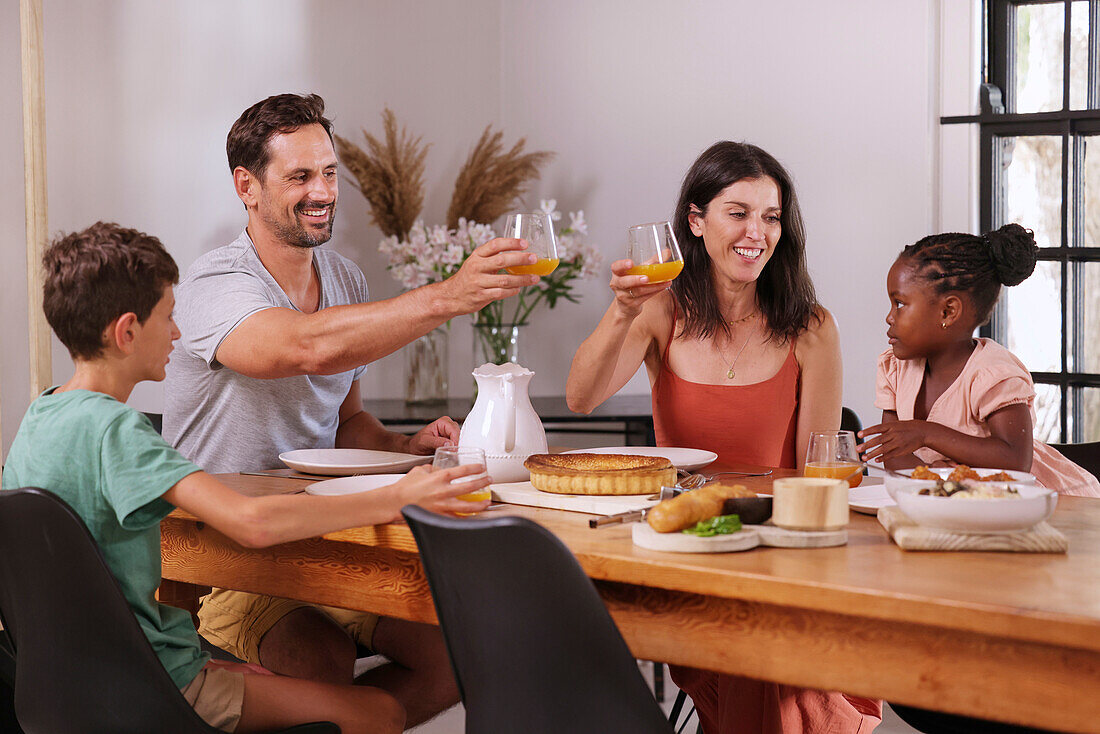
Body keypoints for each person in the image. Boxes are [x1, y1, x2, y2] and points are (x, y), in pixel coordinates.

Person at [1, 222, 492, 733]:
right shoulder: (116, 429)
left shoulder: (41, 415)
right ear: (127, 332)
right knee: (381, 713)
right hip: (151, 686)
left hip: (90, 682)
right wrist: (397, 496)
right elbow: (252, 522)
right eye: (168, 318)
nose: (177, 333)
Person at [162, 93, 541, 727]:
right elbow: (302, 348)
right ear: (246, 187)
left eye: (330, 172)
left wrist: (402, 447)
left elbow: (345, 422)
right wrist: (449, 296)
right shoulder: (213, 283)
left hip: (331, 538)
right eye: (300, 176)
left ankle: (360, 724)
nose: (323, 191)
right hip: (228, 552)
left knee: (473, 650)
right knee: (319, 660)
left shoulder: (346, 282)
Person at [567, 141, 880, 732]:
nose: (755, 232)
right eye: (738, 212)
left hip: (779, 554)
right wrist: (621, 310)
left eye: (770, 217)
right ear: (696, 220)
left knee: (762, 649)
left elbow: (819, 473)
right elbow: (581, 398)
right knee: (753, 652)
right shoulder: (662, 311)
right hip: (690, 554)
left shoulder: (812, 328)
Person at [858, 224, 1100, 496]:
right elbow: (894, 455)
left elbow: (1016, 460)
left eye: (900, 304)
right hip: (961, 503)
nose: (890, 317)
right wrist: (940, 486)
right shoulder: (895, 368)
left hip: (1041, 503)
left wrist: (926, 433)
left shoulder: (991, 373)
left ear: (948, 311)